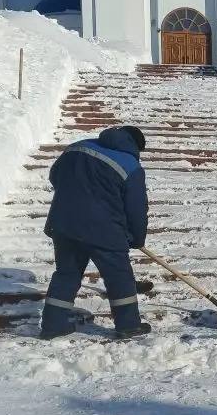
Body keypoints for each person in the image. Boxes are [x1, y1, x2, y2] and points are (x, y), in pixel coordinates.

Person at [39, 126, 151, 341]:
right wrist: (137, 237)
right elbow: (136, 208)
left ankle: (52, 326)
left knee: (66, 274)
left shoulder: (76, 148)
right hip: (105, 229)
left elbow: (55, 176)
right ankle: (128, 325)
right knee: (119, 277)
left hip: (64, 223)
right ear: (135, 145)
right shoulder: (130, 165)